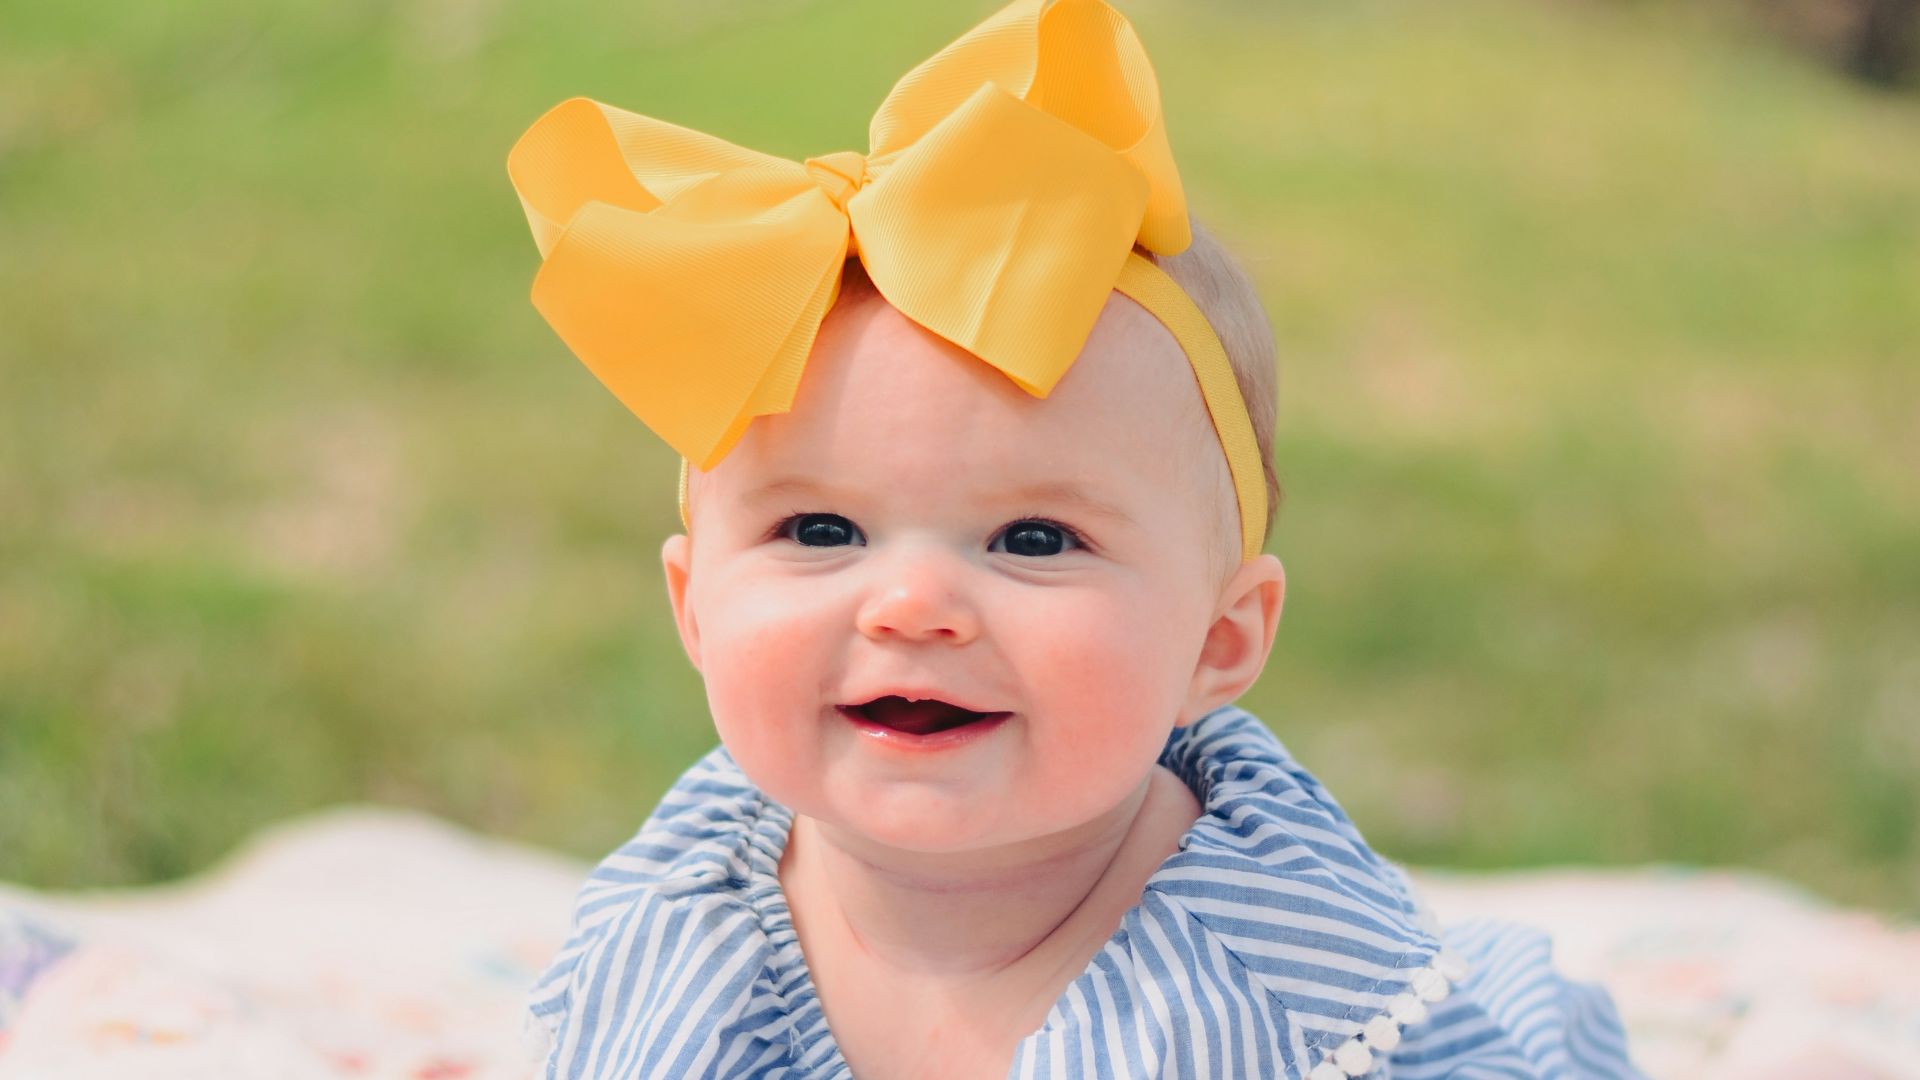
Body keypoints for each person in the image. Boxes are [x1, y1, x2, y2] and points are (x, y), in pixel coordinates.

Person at [504, 1, 1645, 1076]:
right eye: (819, 528)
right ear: (694, 605)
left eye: (1036, 539)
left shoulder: (1288, 978)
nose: (911, 603)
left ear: (1220, 641)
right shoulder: (682, 916)